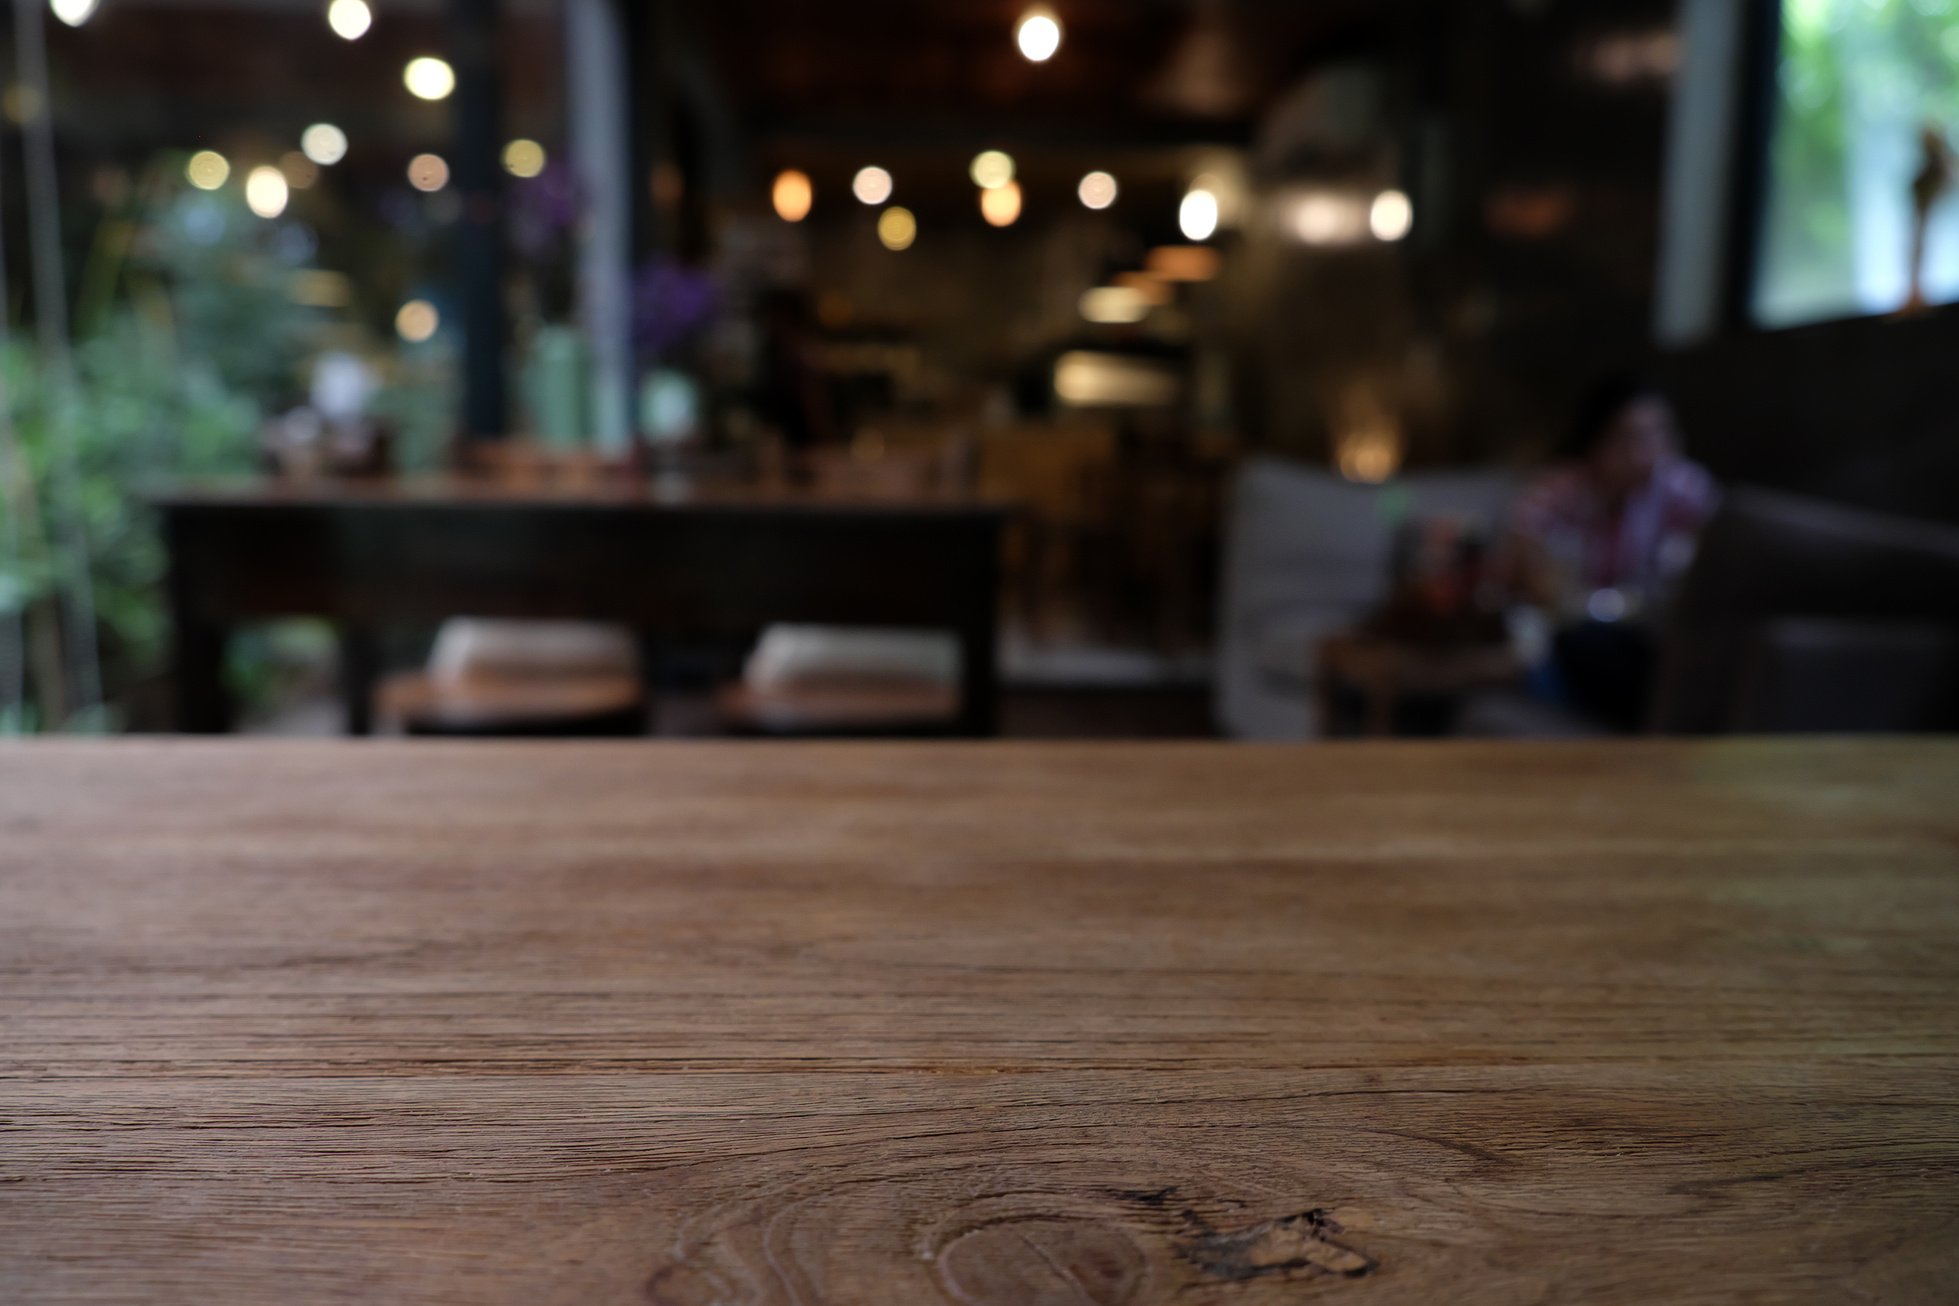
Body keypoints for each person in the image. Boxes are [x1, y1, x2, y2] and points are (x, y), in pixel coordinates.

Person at [1500, 375, 1719, 730]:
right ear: (1596, 441)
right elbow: (1528, 567)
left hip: (1651, 633)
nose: (1647, 452)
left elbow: (1714, 560)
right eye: (1630, 437)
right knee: (1573, 647)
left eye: (1659, 435)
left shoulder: (1682, 489)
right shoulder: (1561, 491)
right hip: (1574, 632)